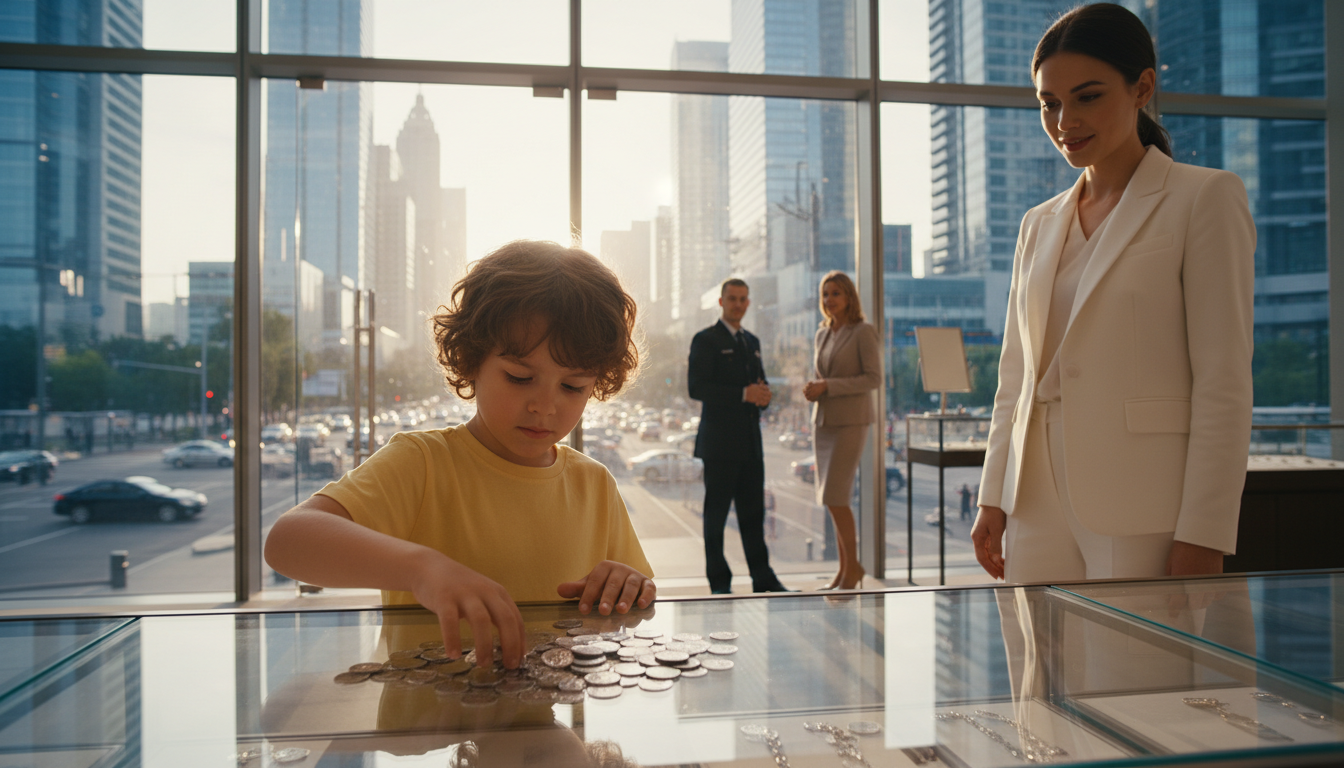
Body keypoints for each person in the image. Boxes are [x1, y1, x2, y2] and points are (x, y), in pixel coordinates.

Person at [265, 240, 656, 669]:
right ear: (471, 361)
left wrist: (629, 584)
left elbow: (635, 591)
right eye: (520, 377)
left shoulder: (594, 483)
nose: (545, 406)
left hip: (544, 728)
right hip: (427, 729)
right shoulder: (423, 463)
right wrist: (421, 569)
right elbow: (289, 541)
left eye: (572, 387)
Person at [971, 3, 1254, 586]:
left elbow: (1223, 381)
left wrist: (1205, 529)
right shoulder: (1037, 223)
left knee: (1140, 674)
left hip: (1141, 500)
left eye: (1088, 96)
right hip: (1033, 497)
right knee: (1037, 673)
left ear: (1142, 88)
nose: (1064, 119)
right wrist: (991, 495)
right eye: (1049, 102)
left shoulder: (1203, 197)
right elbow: (1016, 375)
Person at [688, 278, 791, 594]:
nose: (737, 304)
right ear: (721, 302)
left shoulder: (752, 342)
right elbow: (697, 388)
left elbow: (757, 388)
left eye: (743, 299)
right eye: (732, 298)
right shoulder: (705, 340)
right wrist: (743, 394)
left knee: (753, 516)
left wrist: (762, 397)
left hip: (750, 444)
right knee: (715, 518)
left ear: (748, 303)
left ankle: (763, 578)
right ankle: (720, 584)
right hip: (719, 445)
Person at [802, 271, 880, 591]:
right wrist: (815, 388)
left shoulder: (863, 332)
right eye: (825, 294)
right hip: (823, 422)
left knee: (837, 495)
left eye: (835, 293)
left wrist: (828, 386)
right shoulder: (822, 333)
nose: (829, 300)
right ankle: (846, 569)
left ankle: (853, 568)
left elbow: (873, 379)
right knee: (831, 499)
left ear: (849, 297)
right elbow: (823, 373)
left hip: (851, 422)